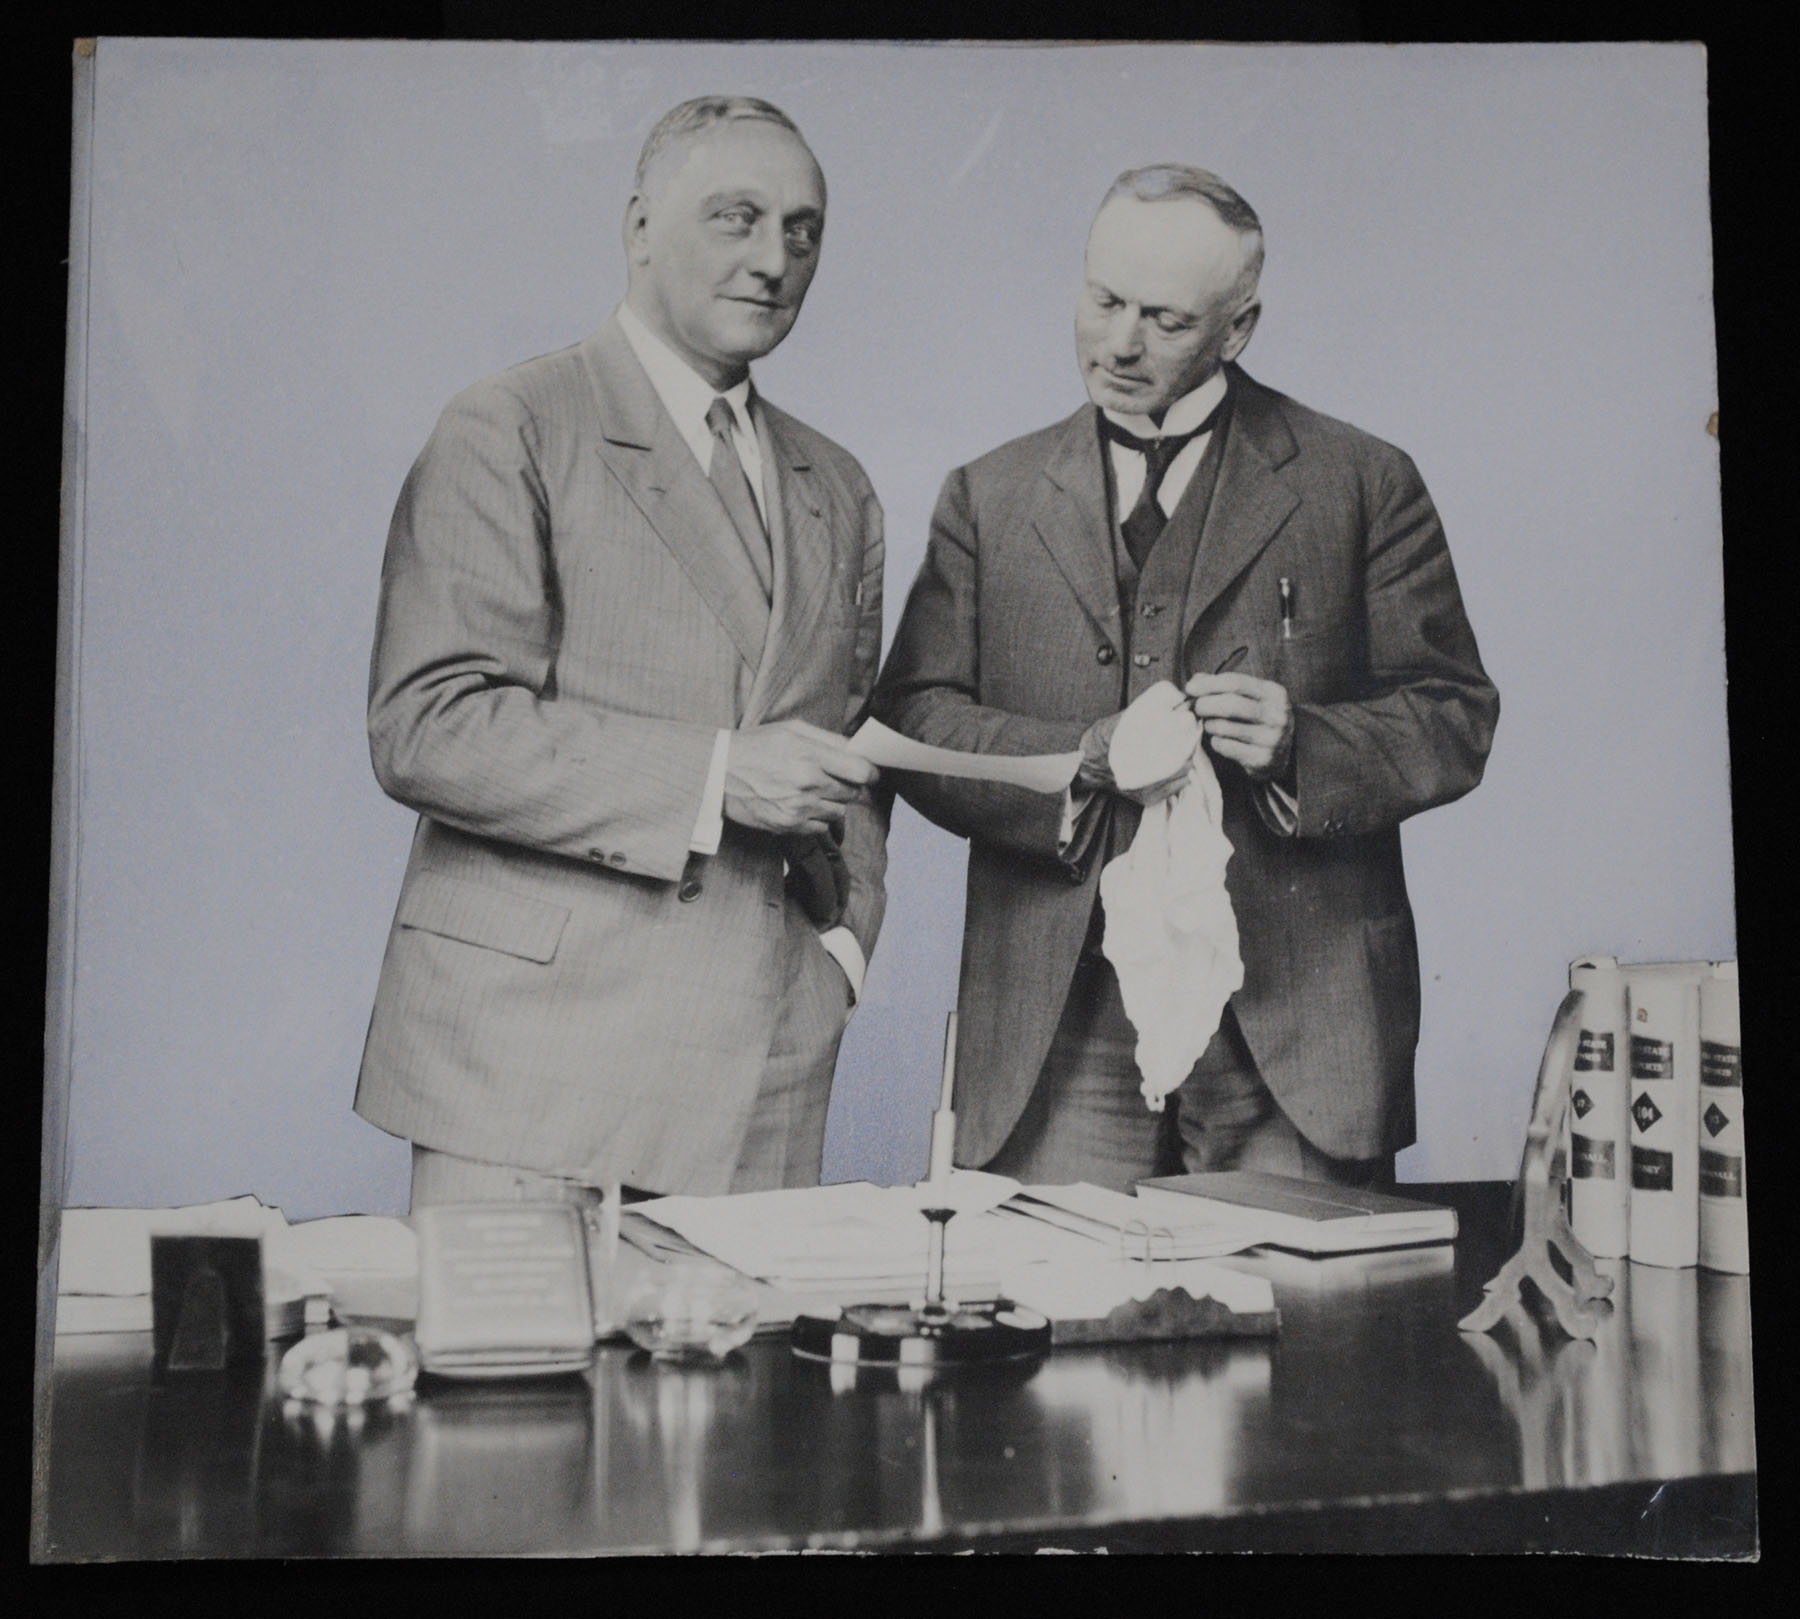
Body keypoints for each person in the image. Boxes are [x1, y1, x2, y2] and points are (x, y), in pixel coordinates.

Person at [872, 165, 1497, 1193]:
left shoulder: (1365, 480)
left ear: (1238, 327)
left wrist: (1304, 741)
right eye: (1102, 300)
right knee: (1054, 1332)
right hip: (1056, 1027)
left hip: (1300, 1028)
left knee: (1305, 1344)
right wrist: (1082, 758)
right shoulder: (988, 495)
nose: (1118, 343)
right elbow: (911, 720)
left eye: (1162, 319)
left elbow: (1454, 715)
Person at [355, 96, 887, 1209]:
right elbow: (428, 725)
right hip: (528, 1072)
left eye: (804, 229)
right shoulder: (509, 426)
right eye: (736, 217)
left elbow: (852, 760)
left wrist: (839, 956)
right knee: (515, 1389)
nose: (775, 258)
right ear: (640, 226)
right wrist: (712, 775)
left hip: (764, 1073)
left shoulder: (836, 484)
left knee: (729, 1393)